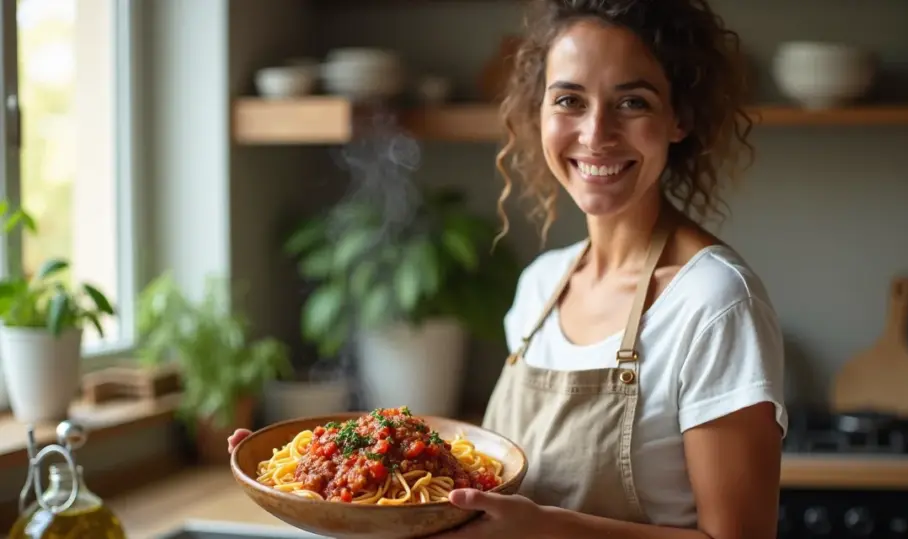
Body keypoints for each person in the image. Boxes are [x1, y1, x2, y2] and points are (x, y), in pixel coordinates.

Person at [229, 0, 787, 537]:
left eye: (632, 102)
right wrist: (308, 477)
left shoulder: (715, 302)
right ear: (539, 113)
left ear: (679, 118)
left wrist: (546, 530)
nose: (595, 133)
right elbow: (479, 491)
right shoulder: (540, 286)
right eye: (569, 100)